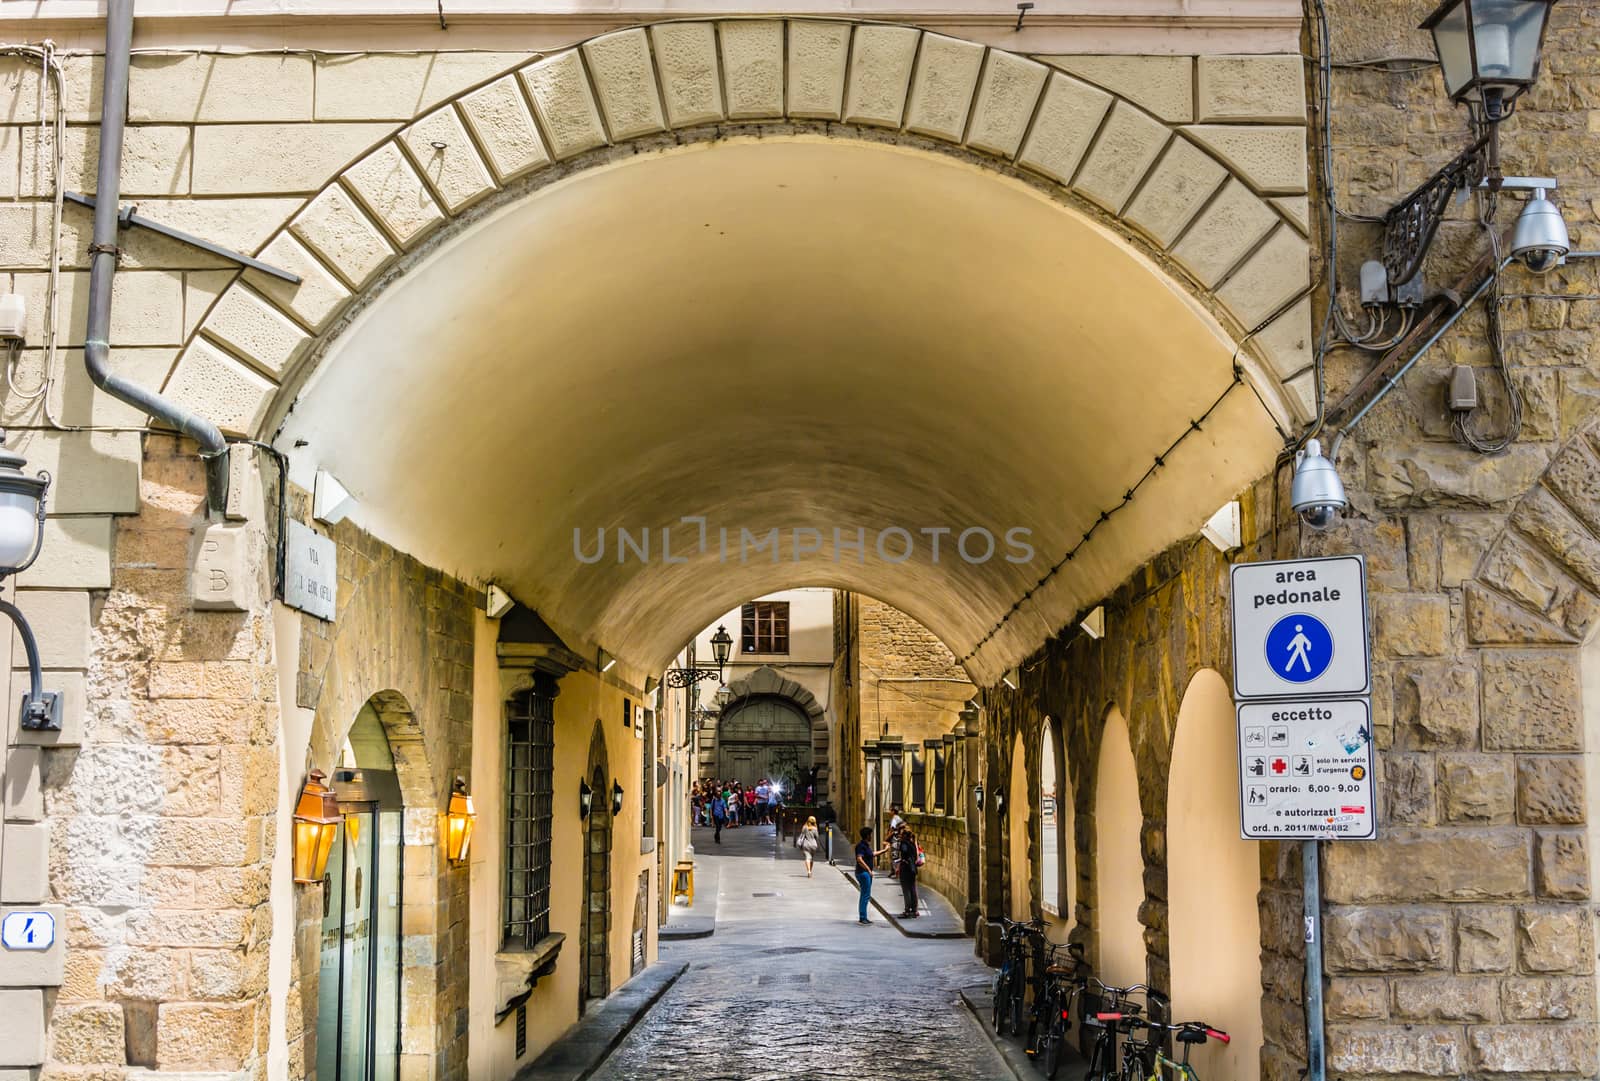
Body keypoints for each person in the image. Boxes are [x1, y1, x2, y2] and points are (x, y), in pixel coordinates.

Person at [854, 827, 889, 924]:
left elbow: (872, 854)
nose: (871, 836)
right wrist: (868, 870)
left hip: (865, 873)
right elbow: (859, 859)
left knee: (865, 895)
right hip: (863, 873)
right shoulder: (861, 846)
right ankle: (862, 917)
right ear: (867, 835)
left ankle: (863, 916)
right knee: (866, 895)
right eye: (870, 835)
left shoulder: (866, 845)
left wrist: (884, 850)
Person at [896, 824, 921, 918]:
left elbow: (904, 855)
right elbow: (915, 856)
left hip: (905, 868)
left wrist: (898, 867)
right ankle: (914, 910)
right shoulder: (914, 844)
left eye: (901, 833)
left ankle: (907, 910)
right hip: (913, 869)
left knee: (906, 889)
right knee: (913, 889)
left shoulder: (904, 844)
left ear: (904, 835)